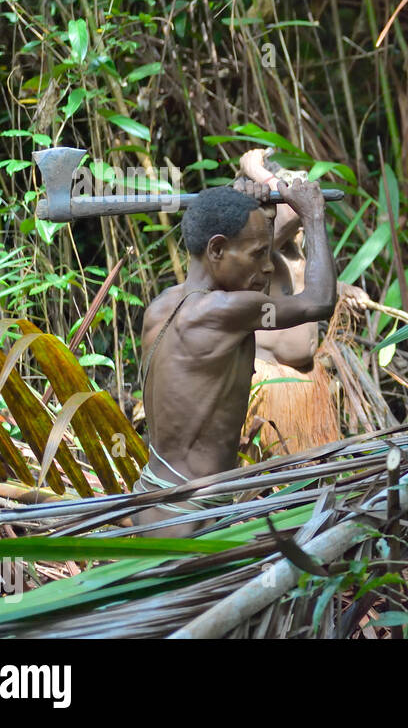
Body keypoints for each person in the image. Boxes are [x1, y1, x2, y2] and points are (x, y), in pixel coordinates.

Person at [135, 174, 335, 538]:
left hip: (156, 505)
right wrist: (313, 215)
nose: (270, 266)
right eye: (259, 254)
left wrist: (263, 221)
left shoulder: (162, 307)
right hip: (190, 519)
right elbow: (319, 301)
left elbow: (255, 277)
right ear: (215, 250)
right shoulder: (227, 311)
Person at [238, 149, 341, 456]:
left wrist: (347, 290)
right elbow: (297, 211)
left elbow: (310, 283)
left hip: (306, 384)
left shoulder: (294, 250)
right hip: (271, 386)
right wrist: (254, 169)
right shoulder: (259, 250)